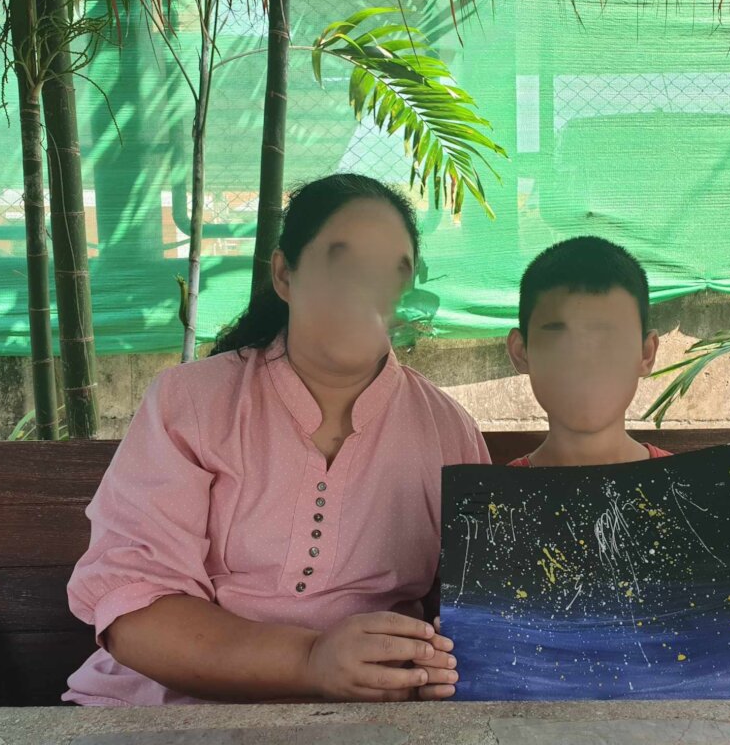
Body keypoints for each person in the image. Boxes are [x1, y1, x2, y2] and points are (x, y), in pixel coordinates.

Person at [64, 174, 486, 705]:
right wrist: (309, 660)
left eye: (393, 273)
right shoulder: (190, 403)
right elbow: (134, 609)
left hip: (370, 721)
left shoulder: (448, 431)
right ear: (285, 274)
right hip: (163, 711)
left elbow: (477, 618)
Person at [503, 236, 730, 682]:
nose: (584, 362)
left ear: (646, 353)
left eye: (607, 340)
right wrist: (440, 667)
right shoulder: (489, 512)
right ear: (520, 351)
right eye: (559, 336)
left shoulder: (710, 504)